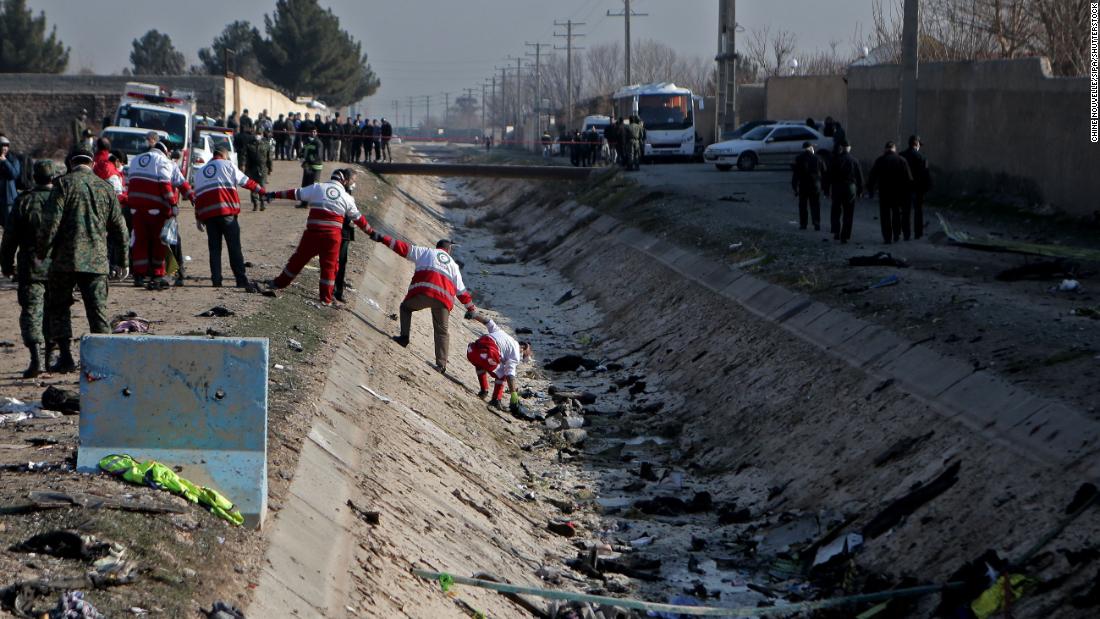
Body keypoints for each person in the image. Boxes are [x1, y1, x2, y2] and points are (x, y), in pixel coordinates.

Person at [35, 149, 128, 373]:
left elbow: (51, 224)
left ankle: (66, 356)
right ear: (92, 162)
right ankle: (104, 359)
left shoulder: (63, 185)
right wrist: (123, 261)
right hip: (96, 261)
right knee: (97, 311)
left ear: (70, 163)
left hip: (64, 260)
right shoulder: (105, 188)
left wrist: (41, 252)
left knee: (59, 308)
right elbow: (120, 229)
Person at [370, 233, 477, 374]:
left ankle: (404, 338)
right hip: (443, 300)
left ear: (437, 247)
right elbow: (461, 292)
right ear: (448, 250)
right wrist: (471, 309)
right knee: (442, 331)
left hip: (424, 292)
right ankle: (441, 364)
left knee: (405, 308)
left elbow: (403, 248)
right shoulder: (453, 266)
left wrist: (383, 239)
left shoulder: (426, 252)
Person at [264, 169, 373, 305]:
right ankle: (326, 298)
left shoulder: (317, 188)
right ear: (343, 181)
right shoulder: (347, 197)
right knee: (329, 267)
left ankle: (279, 283)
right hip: (332, 237)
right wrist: (371, 233)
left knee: (297, 260)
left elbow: (295, 193)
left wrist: (274, 194)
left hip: (312, 234)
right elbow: (359, 219)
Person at [1, 160, 58, 376]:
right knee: (55, 311)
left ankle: (36, 358)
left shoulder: (24, 201)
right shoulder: (61, 200)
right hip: (58, 267)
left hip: (31, 266)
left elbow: (10, 237)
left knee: (32, 312)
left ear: (35, 177)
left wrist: (6, 265)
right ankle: (52, 355)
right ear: (53, 177)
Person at [192, 146, 263, 288]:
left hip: (209, 216)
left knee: (214, 249)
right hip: (227, 214)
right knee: (234, 247)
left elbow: (197, 197)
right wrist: (262, 191)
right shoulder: (228, 165)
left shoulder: (200, 173)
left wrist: (198, 217)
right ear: (224, 155)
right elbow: (246, 182)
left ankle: (216, 280)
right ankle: (240, 279)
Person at [126, 135, 192, 288]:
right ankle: (156, 274)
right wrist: (174, 203)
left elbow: (129, 182)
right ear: (166, 151)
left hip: (135, 209)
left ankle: (139, 276)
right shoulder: (164, 162)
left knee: (139, 242)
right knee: (158, 242)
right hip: (156, 210)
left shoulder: (136, 160)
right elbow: (167, 184)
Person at [465, 312, 532, 410]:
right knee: (503, 374)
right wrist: (514, 394)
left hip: (472, 352)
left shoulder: (501, 333)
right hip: (488, 356)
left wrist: (474, 315)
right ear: (523, 348)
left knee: (480, 364)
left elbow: (488, 321)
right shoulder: (516, 352)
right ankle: (496, 399)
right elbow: (510, 375)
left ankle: (484, 390)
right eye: (524, 353)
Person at [867, 141, 914, 244]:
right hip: (898, 192)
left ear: (885, 149)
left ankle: (887, 237)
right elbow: (909, 179)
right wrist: (908, 194)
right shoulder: (902, 160)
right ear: (894, 149)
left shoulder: (880, 160)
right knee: (896, 213)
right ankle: (897, 234)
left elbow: (872, 177)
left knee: (885, 215)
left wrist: (870, 190)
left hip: (884, 192)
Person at [828, 139, 864, 243]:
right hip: (850, 187)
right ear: (849, 148)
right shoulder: (854, 160)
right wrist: (860, 190)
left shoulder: (835, 159)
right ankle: (845, 235)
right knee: (848, 212)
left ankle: (836, 231)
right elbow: (859, 177)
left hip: (837, 187)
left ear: (841, 148)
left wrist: (826, 188)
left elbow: (829, 175)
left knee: (836, 210)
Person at [900, 135, 932, 240]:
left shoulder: (901, 156)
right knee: (918, 211)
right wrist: (927, 187)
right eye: (919, 145)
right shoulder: (922, 158)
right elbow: (926, 174)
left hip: (904, 188)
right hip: (918, 189)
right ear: (916, 144)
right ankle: (918, 234)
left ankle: (906, 234)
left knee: (905, 211)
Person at [791, 141, 828, 231]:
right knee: (815, 204)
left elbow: (795, 175)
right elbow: (825, 172)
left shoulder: (799, 158)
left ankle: (803, 224)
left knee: (803, 205)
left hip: (803, 185)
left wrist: (795, 187)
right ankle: (816, 223)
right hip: (815, 185)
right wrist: (825, 188)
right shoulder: (818, 158)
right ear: (811, 148)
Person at [243, 129, 274, 212]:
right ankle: (255, 204)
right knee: (253, 187)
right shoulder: (250, 145)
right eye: (257, 133)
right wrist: (246, 169)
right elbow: (246, 158)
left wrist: (270, 168)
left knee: (262, 186)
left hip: (263, 168)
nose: (258, 135)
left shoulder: (266, 144)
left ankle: (262, 204)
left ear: (262, 135)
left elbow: (269, 158)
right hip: (252, 168)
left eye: (259, 134)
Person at [298, 128, 323, 208]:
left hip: (315, 167)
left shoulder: (318, 143)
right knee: (305, 185)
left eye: (314, 131)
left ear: (317, 133)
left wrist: (307, 159)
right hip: (307, 165)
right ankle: (303, 203)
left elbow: (318, 156)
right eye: (311, 131)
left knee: (313, 185)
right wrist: (301, 157)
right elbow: (303, 151)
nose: (313, 133)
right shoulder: (306, 141)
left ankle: (310, 203)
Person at [0, 135, 21, 228]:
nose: (4, 148)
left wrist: (5, 161)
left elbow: (14, 174)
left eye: (6, 145)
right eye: (2, 145)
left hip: (8, 199)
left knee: (9, 226)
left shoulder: (13, 159)